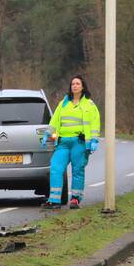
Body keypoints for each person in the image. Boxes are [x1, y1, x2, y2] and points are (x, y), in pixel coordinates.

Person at [41, 75, 101, 210]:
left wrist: (94, 140)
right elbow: (55, 120)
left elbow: (94, 123)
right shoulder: (63, 103)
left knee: (77, 170)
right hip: (63, 143)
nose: (74, 86)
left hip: (79, 142)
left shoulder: (89, 105)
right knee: (56, 168)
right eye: (73, 84)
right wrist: (47, 134)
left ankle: (75, 199)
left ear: (83, 87)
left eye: (77, 84)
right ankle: (54, 200)